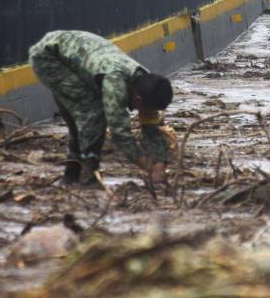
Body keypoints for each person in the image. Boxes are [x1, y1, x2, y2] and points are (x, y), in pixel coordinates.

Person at [29, 30, 172, 186]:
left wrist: (160, 163)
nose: (142, 113)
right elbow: (120, 133)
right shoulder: (115, 83)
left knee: (80, 115)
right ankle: (88, 174)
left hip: (75, 54)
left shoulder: (147, 86)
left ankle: (71, 173)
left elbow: (152, 129)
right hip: (49, 57)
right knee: (93, 112)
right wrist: (147, 166)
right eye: (143, 109)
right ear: (138, 99)